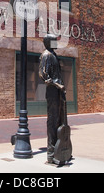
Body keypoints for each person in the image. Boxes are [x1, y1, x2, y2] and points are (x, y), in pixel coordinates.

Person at [39, 34, 65, 164]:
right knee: (52, 120)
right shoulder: (46, 55)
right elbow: (44, 76)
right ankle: (51, 152)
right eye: (54, 41)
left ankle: (59, 149)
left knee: (60, 119)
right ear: (48, 42)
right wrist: (57, 84)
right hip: (52, 91)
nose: (56, 43)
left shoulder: (54, 55)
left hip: (59, 91)